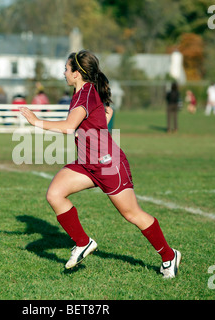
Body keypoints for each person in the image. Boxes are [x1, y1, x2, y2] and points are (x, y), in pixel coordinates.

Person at [20, 50, 181, 278]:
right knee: (55, 194)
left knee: (132, 214)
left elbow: (69, 126)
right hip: (88, 164)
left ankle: (169, 256)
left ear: (77, 74)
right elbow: (103, 114)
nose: (63, 73)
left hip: (108, 165)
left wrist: (36, 122)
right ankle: (83, 243)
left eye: (66, 69)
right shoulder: (83, 94)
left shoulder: (85, 93)